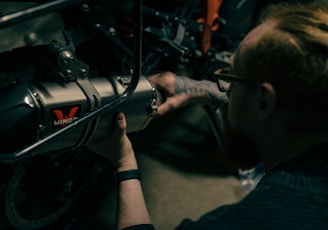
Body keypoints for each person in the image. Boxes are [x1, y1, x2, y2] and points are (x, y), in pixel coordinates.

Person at [87, 2, 328, 229]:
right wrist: (198, 88)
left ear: (264, 101)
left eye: (232, 77)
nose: (225, 88)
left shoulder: (271, 216)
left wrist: (124, 162)